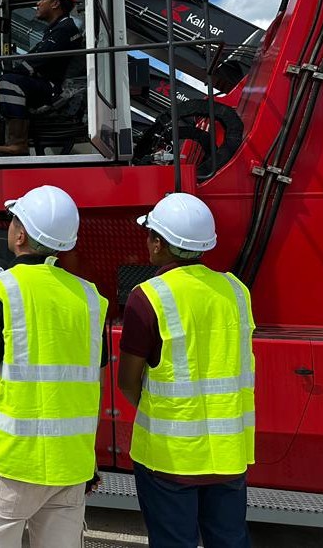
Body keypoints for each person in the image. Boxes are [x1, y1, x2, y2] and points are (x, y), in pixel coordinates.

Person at [0, 185, 108, 547]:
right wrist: (88, 458)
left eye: (13, 220)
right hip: (70, 467)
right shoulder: (91, 298)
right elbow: (92, 387)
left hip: (9, 467)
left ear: (20, 235)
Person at [118, 193, 255, 548]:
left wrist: (164, 414)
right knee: (229, 540)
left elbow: (128, 381)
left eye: (150, 235)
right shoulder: (237, 291)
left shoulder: (148, 296)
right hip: (229, 454)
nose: (147, 242)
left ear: (160, 244)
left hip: (169, 459)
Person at [0, 0, 85, 156]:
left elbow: (37, 61)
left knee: (9, 82)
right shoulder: (56, 29)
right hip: (43, 86)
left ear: (56, 3)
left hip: (53, 89)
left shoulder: (65, 30)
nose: (38, 3)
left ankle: (18, 143)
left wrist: (5, 77)